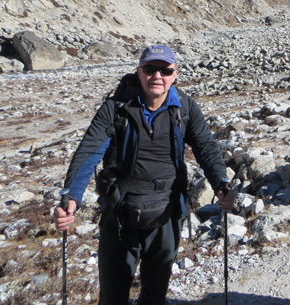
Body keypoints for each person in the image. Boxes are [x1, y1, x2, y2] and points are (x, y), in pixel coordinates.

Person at [53, 44, 236, 305]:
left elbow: (206, 147)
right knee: (113, 297)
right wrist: (71, 197)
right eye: (150, 69)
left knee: (154, 295)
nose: (157, 76)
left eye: (165, 70)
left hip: (167, 215)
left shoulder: (185, 108)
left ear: (175, 74)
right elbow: (89, 153)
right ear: (139, 72)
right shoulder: (115, 109)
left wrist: (221, 185)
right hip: (120, 214)